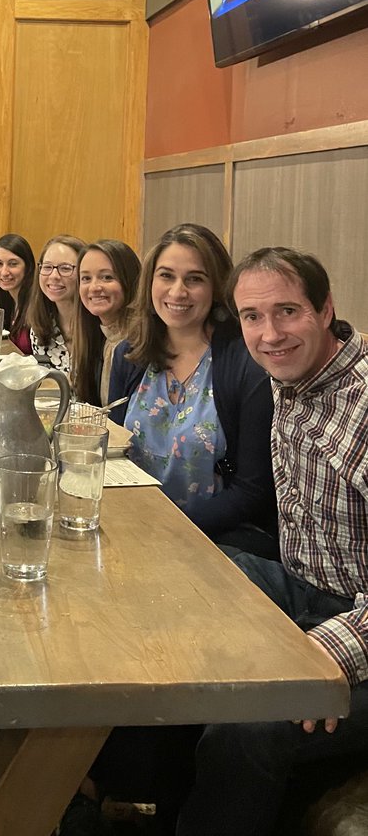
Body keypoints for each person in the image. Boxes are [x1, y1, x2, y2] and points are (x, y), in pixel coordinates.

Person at [177, 247, 368, 836]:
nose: (270, 334)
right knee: (173, 584)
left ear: (326, 309)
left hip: (356, 622)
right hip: (309, 590)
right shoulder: (294, 377)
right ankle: (134, 792)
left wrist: (332, 651)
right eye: (253, 317)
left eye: (287, 311)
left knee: (246, 724)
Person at [110, 223, 276, 552]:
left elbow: (253, 492)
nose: (177, 292)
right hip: (132, 531)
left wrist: (169, 528)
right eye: (166, 276)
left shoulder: (247, 365)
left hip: (216, 541)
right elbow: (115, 456)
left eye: (195, 279)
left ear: (216, 287)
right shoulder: (128, 355)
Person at [72, 240, 140, 406]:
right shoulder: (96, 334)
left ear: (130, 281)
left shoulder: (138, 344)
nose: (94, 287)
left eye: (107, 277)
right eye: (86, 278)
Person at [27, 234, 85, 372]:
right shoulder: (39, 326)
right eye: (47, 267)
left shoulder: (98, 327)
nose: (54, 276)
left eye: (65, 268)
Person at [0, 234, 36, 355]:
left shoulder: (37, 305)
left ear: (28, 266)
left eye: (13, 264)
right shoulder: (9, 301)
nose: (4, 272)